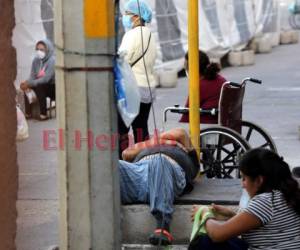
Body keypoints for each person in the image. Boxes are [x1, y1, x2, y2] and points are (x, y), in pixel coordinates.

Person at [190, 148, 300, 250]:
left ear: (259, 180)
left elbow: (217, 235)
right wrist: (231, 215)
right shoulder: (284, 194)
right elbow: (265, 226)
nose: (243, 185)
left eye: (244, 179)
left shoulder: (266, 202)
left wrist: (205, 214)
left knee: (204, 242)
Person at [120, 128, 199, 246]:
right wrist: (160, 141)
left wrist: (150, 143)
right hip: (140, 171)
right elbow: (126, 154)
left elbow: (180, 133)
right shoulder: (154, 144)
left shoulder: (185, 152)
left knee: (159, 161)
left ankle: (163, 226)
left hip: (169, 171)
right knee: (115, 165)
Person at [118, 0, 157, 157]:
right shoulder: (149, 35)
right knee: (141, 128)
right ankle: (146, 158)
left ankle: (122, 162)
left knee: (121, 128)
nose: (124, 17)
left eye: (127, 14)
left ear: (135, 17)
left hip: (133, 88)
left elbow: (123, 58)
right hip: (148, 88)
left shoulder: (132, 34)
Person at [180, 50, 226, 124]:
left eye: (186, 69)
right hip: (220, 123)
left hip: (204, 125)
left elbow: (186, 116)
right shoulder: (221, 79)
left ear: (192, 69)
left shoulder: (199, 86)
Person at [20, 39, 55, 121]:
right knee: (27, 87)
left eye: (42, 50)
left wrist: (30, 83)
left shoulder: (52, 60)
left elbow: (46, 79)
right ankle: (28, 113)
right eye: (37, 49)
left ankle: (44, 114)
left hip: (52, 87)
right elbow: (32, 76)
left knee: (39, 86)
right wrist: (26, 82)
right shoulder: (36, 60)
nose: (39, 51)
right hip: (40, 85)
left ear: (47, 49)